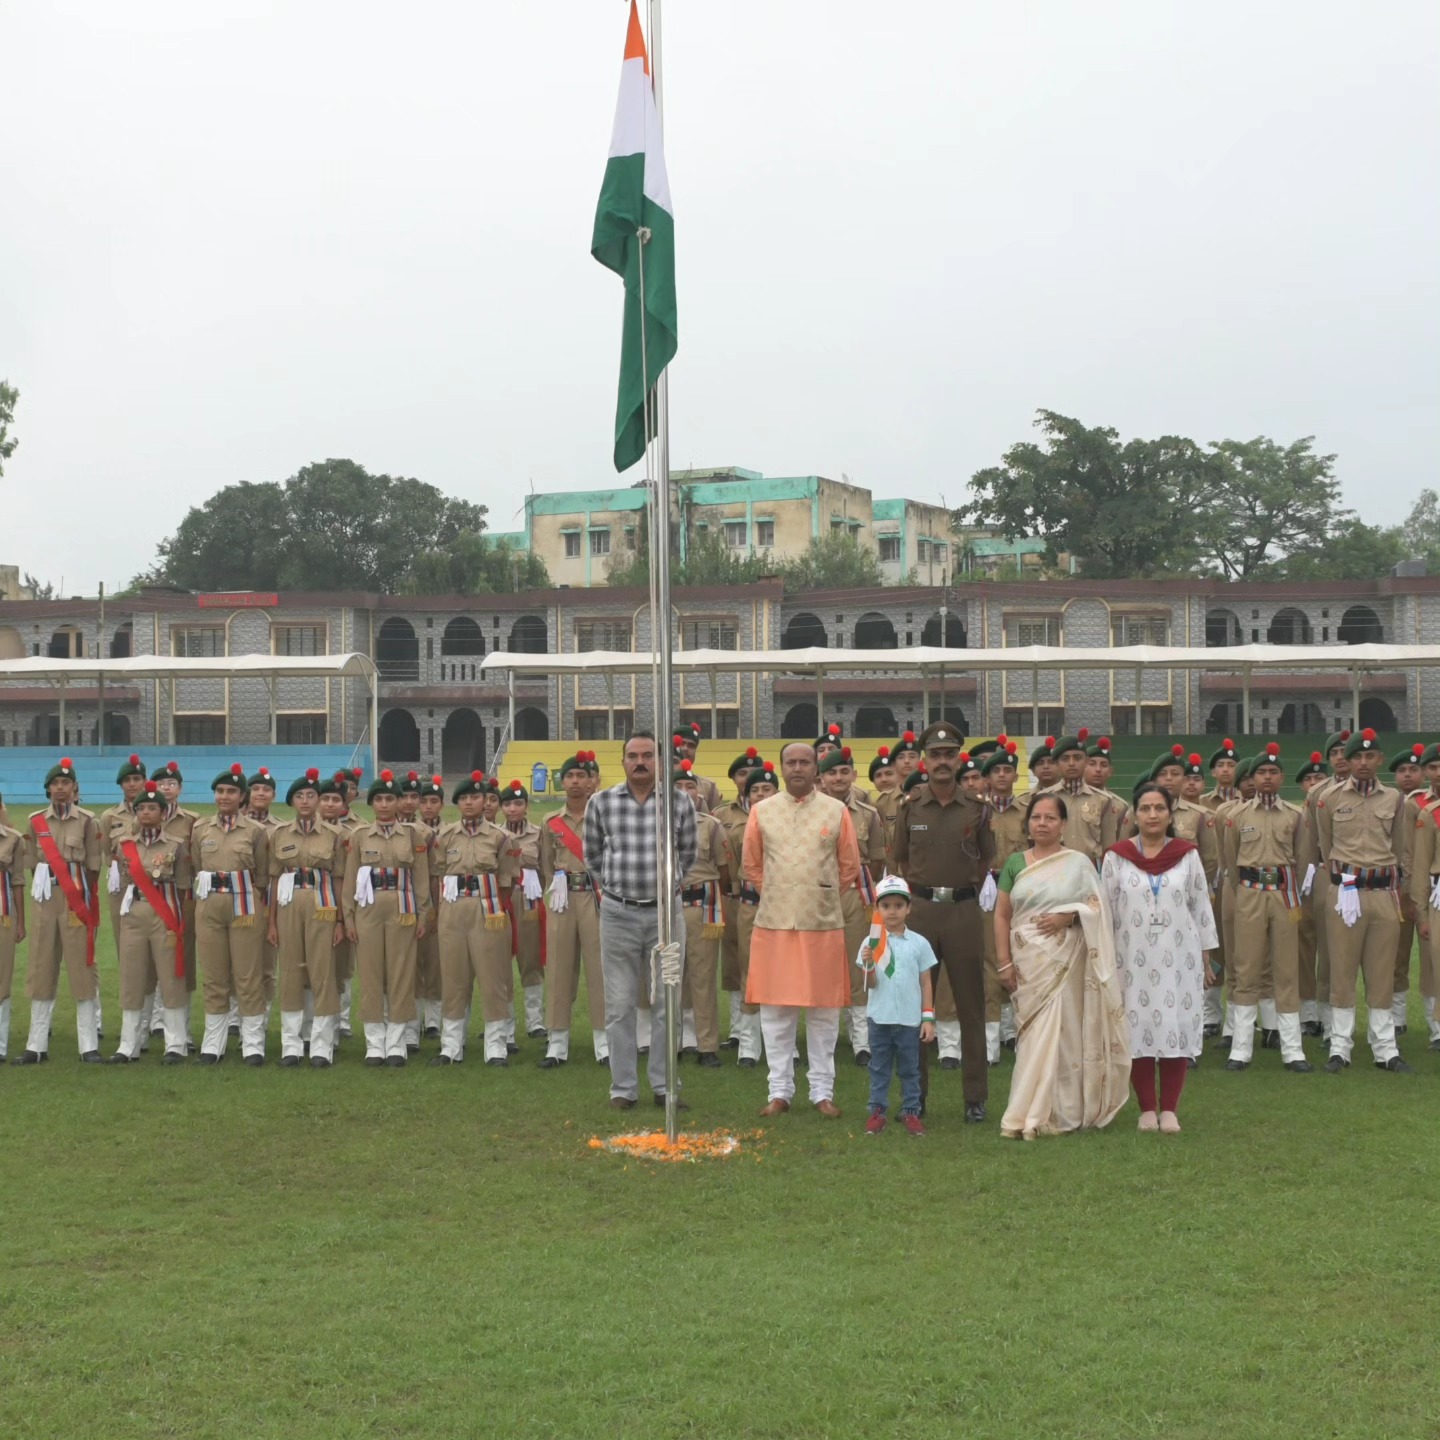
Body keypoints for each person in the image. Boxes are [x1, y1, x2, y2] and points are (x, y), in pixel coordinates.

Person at [995, 792, 1129, 1139]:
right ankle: (1026, 1111)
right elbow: (1002, 914)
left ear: (1063, 825)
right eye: (1036, 817)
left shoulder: (1079, 863)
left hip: (1068, 958)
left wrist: (1069, 916)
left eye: (1050, 818)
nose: (1042, 823)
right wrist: (1003, 963)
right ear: (1028, 823)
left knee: (1067, 1031)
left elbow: (1097, 908)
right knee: (1032, 1034)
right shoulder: (1014, 863)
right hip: (1028, 960)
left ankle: (1063, 1111)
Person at [742, 741, 861, 1118]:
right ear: (780, 768)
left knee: (824, 1012)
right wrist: (780, 893)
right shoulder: (762, 811)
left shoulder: (836, 810)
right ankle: (780, 1091)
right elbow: (752, 865)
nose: (797, 768)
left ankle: (821, 1092)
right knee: (776, 1012)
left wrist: (816, 894)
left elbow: (849, 866)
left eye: (804, 762)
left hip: (821, 922)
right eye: (790, 762)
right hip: (774, 922)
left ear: (816, 769)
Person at [583, 730, 698, 1111]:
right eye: (632, 755)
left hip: (666, 916)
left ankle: (666, 1086)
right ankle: (623, 1088)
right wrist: (620, 890)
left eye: (648, 755)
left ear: (661, 761)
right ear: (623, 761)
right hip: (618, 915)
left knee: (667, 1002)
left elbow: (689, 854)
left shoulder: (679, 803)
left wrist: (666, 889)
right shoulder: (601, 803)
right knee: (618, 1005)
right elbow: (593, 856)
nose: (640, 762)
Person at [890, 722, 993, 1122]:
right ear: (925, 761)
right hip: (922, 912)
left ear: (958, 758)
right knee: (915, 1007)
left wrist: (962, 890)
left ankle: (975, 1099)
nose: (943, 762)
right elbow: (900, 858)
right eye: (935, 755)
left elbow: (985, 860)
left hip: (964, 912)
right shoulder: (910, 807)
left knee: (971, 1005)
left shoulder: (977, 808)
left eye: (950, 754)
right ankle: (915, 1098)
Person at [1102, 783, 1219, 1133]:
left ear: (1170, 815)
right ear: (1134, 815)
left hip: (1178, 955)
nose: (1152, 815)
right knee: (1136, 1028)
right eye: (1145, 808)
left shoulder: (1187, 855)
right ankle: (1146, 1109)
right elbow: (1104, 911)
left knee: (1174, 1026)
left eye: (1159, 808)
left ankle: (1169, 1108)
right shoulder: (1117, 857)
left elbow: (1201, 906)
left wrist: (1206, 958)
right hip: (1130, 957)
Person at [1314, 728, 1409, 1073]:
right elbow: (1325, 846)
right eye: (1356, 756)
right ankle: (1340, 1048)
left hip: (1383, 892)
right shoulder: (1330, 798)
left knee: (1381, 971)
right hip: (1346, 892)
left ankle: (1385, 1049)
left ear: (1380, 759)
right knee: (1341, 969)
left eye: (1370, 756)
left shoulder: (1395, 800)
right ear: (1347, 761)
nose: (1363, 762)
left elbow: (1399, 848)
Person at [1218, 744, 1312, 1073]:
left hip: (1284, 894)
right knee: (1246, 968)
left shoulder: (1295, 815)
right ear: (1252, 778)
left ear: (1282, 777)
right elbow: (1229, 859)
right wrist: (1242, 888)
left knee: (1286, 969)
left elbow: (1302, 858)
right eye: (1261, 773)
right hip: (1249, 891)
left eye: (1273, 772)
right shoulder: (1235, 816)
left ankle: (1292, 1050)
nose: (1267, 778)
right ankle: (1240, 1049)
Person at [342, 768, 433, 1067]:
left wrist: (424, 915)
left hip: (402, 908)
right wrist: (349, 919)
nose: (384, 804)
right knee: (370, 975)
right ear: (372, 804)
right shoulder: (358, 836)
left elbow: (421, 879)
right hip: (368, 910)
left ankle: (396, 1042)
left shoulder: (414, 835)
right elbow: (349, 882)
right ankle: (374, 1043)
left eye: (389, 799)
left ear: (398, 803)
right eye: (378, 799)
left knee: (401, 974)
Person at [17, 757, 103, 1065]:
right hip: (46, 901)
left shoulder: (89, 820)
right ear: (48, 789)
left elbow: (94, 867)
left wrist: (81, 898)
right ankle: (35, 1046)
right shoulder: (35, 821)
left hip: (76, 901)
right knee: (41, 968)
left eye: (66, 783)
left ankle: (88, 1045)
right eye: (55, 784)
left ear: (75, 788)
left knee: (82, 969)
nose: (60, 788)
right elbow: (31, 865)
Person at [430, 771, 516, 1067]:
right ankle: (451, 1045)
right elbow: (439, 872)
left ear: (485, 801)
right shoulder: (444, 836)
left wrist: (498, 911)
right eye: (464, 798)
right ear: (457, 803)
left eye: (475, 797)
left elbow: (507, 879)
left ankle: (496, 1047)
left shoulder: (501, 837)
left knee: (493, 978)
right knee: (453, 977)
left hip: (488, 909)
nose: (469, 803)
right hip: (453, 909)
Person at [267, 769, 348, 1068]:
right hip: (289, 906)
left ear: (318, 800)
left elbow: (339, 879)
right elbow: (275, 880)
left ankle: (321, 1044)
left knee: (322, 972)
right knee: (290, 972)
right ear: (291, 802)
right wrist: (272, 922)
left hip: (322, 905)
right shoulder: (278, 834)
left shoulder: (335, 835)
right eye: (299, 796)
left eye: (311, 795)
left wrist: (340, 920)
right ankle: (291, 1044)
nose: (305, 800)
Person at [190, 765, 270, 1066]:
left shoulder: (256, 832)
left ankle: (252, 1043)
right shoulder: (200, 830)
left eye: (232, 792)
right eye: (220, 791)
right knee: (214, 976)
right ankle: (214, 1042)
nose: (225, 796)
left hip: (246, 907)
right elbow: (198, 866)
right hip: (210, 906)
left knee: (248, 975)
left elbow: (262, 876)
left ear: (242, 797)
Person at [110, 781, 192, 1064]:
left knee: (171, 979)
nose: (146, 813)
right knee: (132, 979)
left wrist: (179, 923)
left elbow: (183, 888)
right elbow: (122, 884)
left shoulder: (177, 846)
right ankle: (128, 1044)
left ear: (164, 812)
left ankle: (176, 1044)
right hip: (134, 915)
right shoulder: (124, 847)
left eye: (153, 808)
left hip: (166, 915)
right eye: (141, 808)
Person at [817, 745, 885, 1065]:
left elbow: (879, 859)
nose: (839, 777)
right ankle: (826, 1039)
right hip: (819, 893)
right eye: (832, 772)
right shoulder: (812, 812)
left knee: (859, 964)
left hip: (856, 893)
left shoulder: (868, 814)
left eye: (844, 771)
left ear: (854, 775)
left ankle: (862, 1041)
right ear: (822, 778)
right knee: (824, 967)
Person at [539, 756, 608, 1068]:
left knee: (600, 971)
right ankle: (556, 1044)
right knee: (558, 969)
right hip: (563, 899)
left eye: (582, 775)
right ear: (562, 781)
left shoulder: (605, 816)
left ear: (592, 780)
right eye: (571, 776)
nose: (577, 781)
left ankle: (604, 1043)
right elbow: (544, 864)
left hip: (596, 898)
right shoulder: (551, 821)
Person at [859, 875, 937, 1138]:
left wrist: (928, 1017)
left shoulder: (919, 943)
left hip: (909, 1020)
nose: (892, 912)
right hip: (879, 1018)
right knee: (879, 1067)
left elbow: (926, 982)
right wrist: (869, 963)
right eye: (886, 906)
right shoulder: (871, 943)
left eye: (898, 906)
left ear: (908, 908)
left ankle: (911, 1111)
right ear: (877, 909)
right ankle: (877, 1111)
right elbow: (869, 984)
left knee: (909, 1069)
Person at [675, 759, 732, 1067]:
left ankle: (707, 1045)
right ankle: (677, 1041)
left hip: (701, 906)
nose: (685, 791)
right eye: (678, 787)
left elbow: (724, 870)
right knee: (672, 977)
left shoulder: (711, 825)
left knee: (702, 976)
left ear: (699, 791)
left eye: (690, 786)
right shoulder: (657, 823)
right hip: (669, 907)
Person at [728, 761, 779, 1067]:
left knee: (783, 971)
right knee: (750, 969)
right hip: (749, 903)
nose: (761, 794)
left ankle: (784, 1044)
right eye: (755, 790)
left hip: (783, 904)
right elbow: (733, 868)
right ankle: (749, 1044)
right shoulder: (737, 827)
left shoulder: (792, 822)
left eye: (767, 788)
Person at [714, 748, 764, 1047]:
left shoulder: (779, 811)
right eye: (743, 774)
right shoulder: (722, 814)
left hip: (770, 899)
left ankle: (768, 1031)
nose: (748, 779)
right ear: (734, 779)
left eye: (754, 774)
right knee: (734, 962)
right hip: (734, 896)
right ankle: (737, 1029)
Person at [498, 780, 547, 1048]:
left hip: (529, 899)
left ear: (526, 806)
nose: (513, 808)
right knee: (501, 960)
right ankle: (505, 1023)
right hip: (503, 898)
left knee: (531, 960)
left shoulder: (539, 834)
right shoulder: (494, 834)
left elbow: (546, 867)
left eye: (518, 803)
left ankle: (535, 1020)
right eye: (507, 804)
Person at [1389, 744, 1427, 1035]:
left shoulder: (1431, 804)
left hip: (1428, 891)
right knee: (1396, 957)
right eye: (1401, 771)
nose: (1407, 775)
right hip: (1396, 888)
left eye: (1413, 769)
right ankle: (1397, 1019)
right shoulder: (1387, 803)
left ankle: (1435, 1022)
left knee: (1431, 957)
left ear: (1424, 773)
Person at [413, 775, 447, 1041]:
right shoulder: (408, 832)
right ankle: (412, 1019)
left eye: (433, 801)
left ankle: (434, 1019)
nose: (427, 807)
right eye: (423, 801)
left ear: (442, 805)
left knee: (435, 964)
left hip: (443, 904)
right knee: (411, 964)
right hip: (409, 906)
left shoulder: (450, 832)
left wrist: (438, 908)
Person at [0, 808, 27, 1062]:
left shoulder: (13, 839)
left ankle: (0, 1044)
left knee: (2, 977)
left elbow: (18, 881)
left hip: (3, 916)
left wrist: (21, 922)